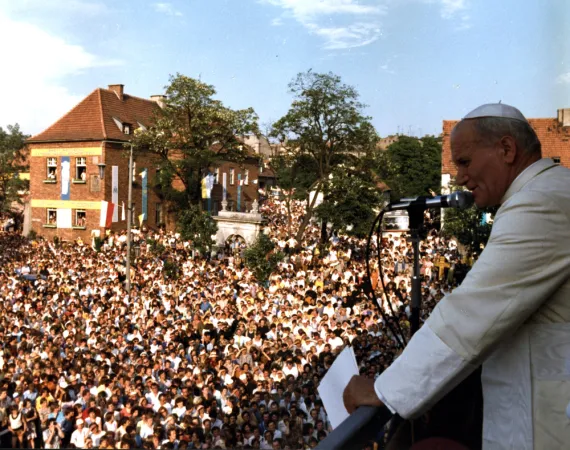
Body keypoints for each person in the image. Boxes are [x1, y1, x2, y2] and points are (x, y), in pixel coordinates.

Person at [343, 103, 570, 449]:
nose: (460, 177)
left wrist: (385, 389)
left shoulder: (540, 202)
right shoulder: (545, 192)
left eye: (465, 162)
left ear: (506, 149)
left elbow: (472, 313)